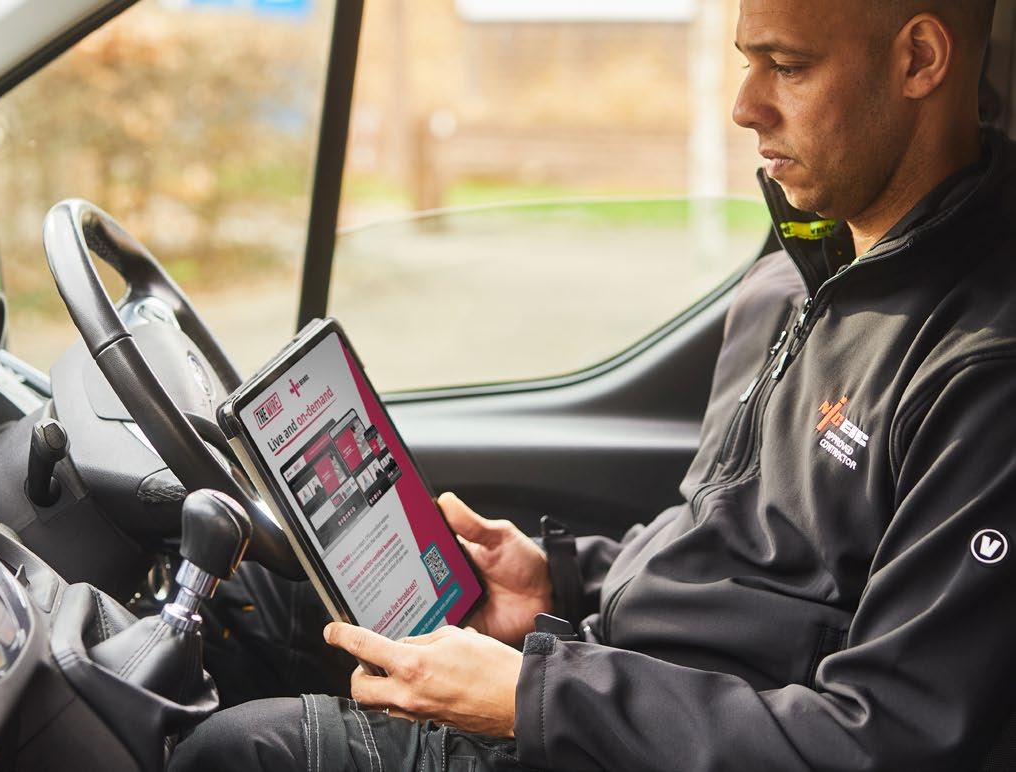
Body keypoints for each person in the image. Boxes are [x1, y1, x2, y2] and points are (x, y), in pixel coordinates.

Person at [172, 0, 1016, 769]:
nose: (745, 105)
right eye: (747, 63)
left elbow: (889, 738)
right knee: (253, 596)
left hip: (630, 733)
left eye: (787, 67)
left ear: (918, 59)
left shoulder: (981, 370)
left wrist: (533, 697)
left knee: (242, 755)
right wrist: (561, 582)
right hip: (615, 686)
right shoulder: (793, 281)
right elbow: (730, 541)